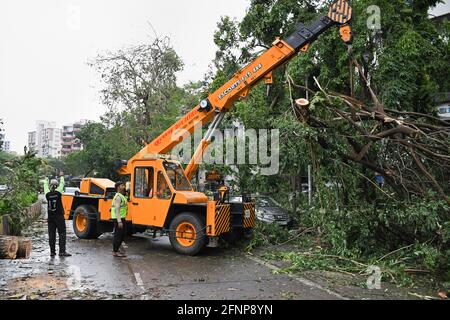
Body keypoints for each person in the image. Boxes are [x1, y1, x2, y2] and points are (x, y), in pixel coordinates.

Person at [43, 173, 71, 258]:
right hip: (59, 217)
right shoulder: (59, 193)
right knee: (62, 233)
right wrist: (62, 176)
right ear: (57, 185)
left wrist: (46, 177)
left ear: (50, 185)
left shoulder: (47, 194)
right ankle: (62, 252)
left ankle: (52, 252)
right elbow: (62, 183)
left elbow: (45, 185)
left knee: (52, 235)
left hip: (51, 218)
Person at [111, 181, 128, 257]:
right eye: (122, 185)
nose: (123, 186)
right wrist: (119, 221)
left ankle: (118, 249)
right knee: (118, 235)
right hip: (118, 218)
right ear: (118, 187)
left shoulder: (121, 196)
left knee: (122, 234)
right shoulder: (118, 197)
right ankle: (115, 251)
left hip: (122, 218)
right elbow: (117, 210)